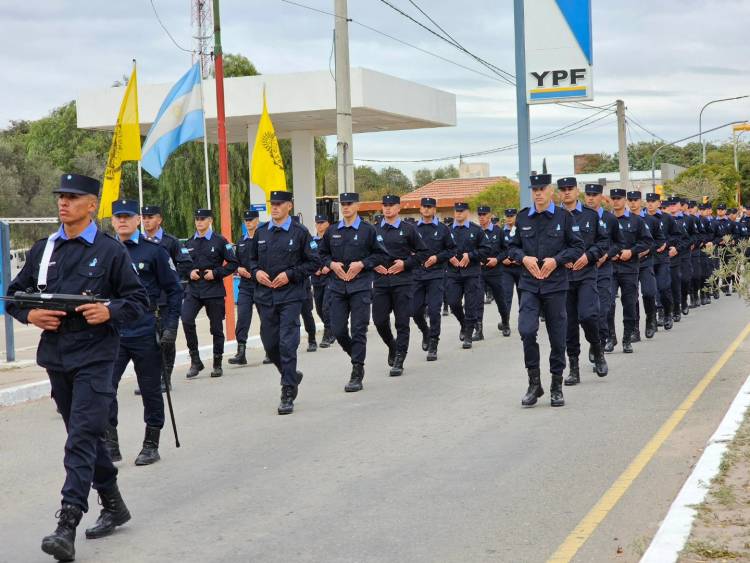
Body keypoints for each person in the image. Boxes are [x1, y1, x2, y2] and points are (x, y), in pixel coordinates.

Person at [6, 174, 149, 561]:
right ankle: (114, 502)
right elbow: (13, 296)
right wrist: (31, 313)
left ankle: (67, 521)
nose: (63, 203)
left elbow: (138, 300)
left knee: (82, 437)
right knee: (83, 435)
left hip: (97, 356)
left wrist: (109, 310)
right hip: (57, 357)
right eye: (60, 197)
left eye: (72, 197)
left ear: (92, 205)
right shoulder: (44, 250)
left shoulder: (110, 252)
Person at [106, 200, 182, 467]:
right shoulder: (106, 250)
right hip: (112, 332)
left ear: (138, 220)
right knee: (104, 389)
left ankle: (151, 444)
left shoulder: (154, 252)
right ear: (113, 221)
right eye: (118, 217)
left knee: (150, 390)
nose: (122, 221)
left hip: (144, 329)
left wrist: (171, 326)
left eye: (128, 216)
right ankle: (110, 443)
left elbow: (174, 290)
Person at [508, 174, 584, 407]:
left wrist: (556, 260)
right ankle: (534, 383)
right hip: (529, 284)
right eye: (535, 189)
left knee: (557, 336)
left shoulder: (564, 217)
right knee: (527, 330)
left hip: (555, 284)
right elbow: (512, 247)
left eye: (542, 189)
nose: (538, 193)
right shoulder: (522, 218)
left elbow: (577, 246)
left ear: (551, 191)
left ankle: (556, 385)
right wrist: (524, 258)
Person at [247, 191, 319, 414]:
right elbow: (250, 260)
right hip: (265, 296)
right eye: (273, 204)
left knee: (288, 344)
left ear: (289, 206)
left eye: (279, 204)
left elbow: (314, 262)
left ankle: (287, 390)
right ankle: (291, 375)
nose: (275, 207)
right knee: (270, 344)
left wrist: (290, 274)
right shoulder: (260, 233)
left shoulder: (300, 233)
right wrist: (256, 272)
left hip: (291, 296)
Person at [317, 192, 387, 392]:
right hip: (337, 287)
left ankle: (357, 370)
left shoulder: (368, 230)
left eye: (349, 203)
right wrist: (331, 264)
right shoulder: (332, 231)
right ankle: (357, 356)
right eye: (343, 204)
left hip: (361, 287)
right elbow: (321, 254)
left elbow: (381, 255)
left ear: (357, 205)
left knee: (358, 329)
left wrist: (363, 264)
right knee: (338, 330)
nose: (346, 207)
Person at [556, 177, 608, 385]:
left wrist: (588, 256)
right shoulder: (554, 217)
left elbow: (603, 242)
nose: (567, 192)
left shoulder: (590, 216)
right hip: (563, 277)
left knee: (588, 315)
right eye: (563, 189)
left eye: (570, 189)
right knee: (568, 324)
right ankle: (574, 368)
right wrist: (561, 260)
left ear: (577, 191)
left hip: (586, 274)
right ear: (559, 192)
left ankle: (597, 349)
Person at [373, 194, 428, 376]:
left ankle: (400, 359)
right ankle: (392, 345)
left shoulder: (408, 229)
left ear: (398, 208)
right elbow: (364, 254)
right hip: (381, 282)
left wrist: (405, 264)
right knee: (379, 321)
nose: (387, 208)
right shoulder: (373, 230)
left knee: (402, 321)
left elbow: (422, 253)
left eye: (391, 205)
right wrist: (373, 264)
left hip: (403, 282)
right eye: (385, 205)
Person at [140, 204, 193, 393]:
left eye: (150, 217)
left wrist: (167, 278)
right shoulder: (138, 242)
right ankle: (151, 380)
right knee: (147, 342)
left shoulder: (171, 242)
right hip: (145, 300)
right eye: (144, 217)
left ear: (159, 219)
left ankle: (166, 378)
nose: (146, 220)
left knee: (166, 340)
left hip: (166, 299)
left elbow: (185, 263)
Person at [182, 208, 238, 379]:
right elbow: (181, 264)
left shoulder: (220, 241)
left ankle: (217, 362)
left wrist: (216, 273)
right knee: (186, 319)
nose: (199, 222)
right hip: (194, 290)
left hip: (213, 290)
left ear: (210, 221)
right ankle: (195, 360)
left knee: (216, 328)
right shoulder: (189, 243)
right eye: (197, 219)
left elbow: (233, 263)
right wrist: (188, 272)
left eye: (202, 219)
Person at [608, 188, 653, 354]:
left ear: (624, 200)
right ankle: (610, 337)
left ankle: (627, 338)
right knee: (608, 304)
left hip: (629, 268)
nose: (616, 201)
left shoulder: (636, 221)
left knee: (629, 304)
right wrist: (607, 254)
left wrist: (632, 252)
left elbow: (647, 242)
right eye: (613, 198)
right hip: (610, 268)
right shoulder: (605, 220)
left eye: (619, 198)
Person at [412, 197, 456, 361]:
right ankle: (425, 331)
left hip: (436, 275)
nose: (427, 209)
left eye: (430, 207)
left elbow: (451, 250)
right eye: (424, 207)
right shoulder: (413, 229)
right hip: (417, 275)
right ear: (420, 209)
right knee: (415, 311)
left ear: (434, 209)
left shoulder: (443, 229)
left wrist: (437, 258)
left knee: (434, 310)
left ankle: (433, 343)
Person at [583, 184, 625, 354]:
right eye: (588, 194)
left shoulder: (609, 219)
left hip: (603, 269)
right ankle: (597, 340)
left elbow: (618, 243)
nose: (591, 198)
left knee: (603, 308)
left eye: (595, 194)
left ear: (601, 197)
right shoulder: (577, 217)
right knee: (587, 313)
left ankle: (600, 344)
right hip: (583, 271)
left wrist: (606, 256)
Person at [445, 202, 491, 349]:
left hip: (471, 272)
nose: (458, 213)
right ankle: (464, 324)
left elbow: (486, 249)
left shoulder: (476, 230)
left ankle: (469, 335)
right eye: (456, 211)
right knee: (453, 302)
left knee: (471, 304)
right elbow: (438, 248)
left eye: (461, 211)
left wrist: (470, 256)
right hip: (453, 273)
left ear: (467, 212)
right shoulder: (446, 230)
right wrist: (449, 257)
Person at [627, 191, 661, 342]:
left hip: (646, 262)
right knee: (632, 298)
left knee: (648, 292)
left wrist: (648, 249)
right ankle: (634, 329)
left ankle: (650, 319)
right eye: (630, 200)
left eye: (636, 200)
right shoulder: (622, 220)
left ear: (640, 201)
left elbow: (659, 240)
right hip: (629, 265)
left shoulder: (651, 220)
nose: (633, 203)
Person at [228, 209, 260, 366]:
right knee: (242, 318)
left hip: (262, 285)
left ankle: (270, 350)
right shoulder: (241, 241)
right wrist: (238, 269)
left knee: (267, 319)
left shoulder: (263, 239)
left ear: (257, 221)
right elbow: (235, 262)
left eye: (251, 219)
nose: (248, 222)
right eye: (246, 220)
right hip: (245, 286)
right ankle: (241, 352)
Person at [476, 205, 510, 340]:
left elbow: (506, 250)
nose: (481, 217)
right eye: (479, 215)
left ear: (489, 216)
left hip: (496, 271)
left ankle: (505, 323)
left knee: (501, 299)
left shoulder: (498, 231)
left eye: (484, 214)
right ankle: (478, 330)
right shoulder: (475, 232)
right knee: (478, 300)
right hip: (479, 271)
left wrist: (497, 259)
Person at [645, 193, 677, 330]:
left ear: (659, 203)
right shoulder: (642, 218)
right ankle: (658, 313)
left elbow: (676, 235)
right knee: (651, 290)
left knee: (664, 287)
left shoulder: (667, 218)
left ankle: (668, 312)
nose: (650, 203)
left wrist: (667, 243)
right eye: (648, 201)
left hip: (663, 258)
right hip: (648, 259)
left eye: (653, 201)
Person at [293, 215, 319, 352]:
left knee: (306, 313)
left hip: (303, 283)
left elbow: (313, 259)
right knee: (292, 316)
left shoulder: (304, 236)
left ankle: (312, 339)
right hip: (290, 286)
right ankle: (293, 343)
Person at [311, 214, 335, 349]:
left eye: (322, 222)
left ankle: (327, 335)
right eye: (317, 223)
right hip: (316, 278)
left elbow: (337, 255)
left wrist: (328, 266)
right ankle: (332, 329)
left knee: (326, 307)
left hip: (330, 277)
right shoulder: (311, 241)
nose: (320, 225)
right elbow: (307, 257)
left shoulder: (332, 239)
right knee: (319, 308)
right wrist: (313, 269)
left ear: (328, 224)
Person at [500, 208, 521, 334]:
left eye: (512, 216)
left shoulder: (521, 230)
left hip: (519, 267)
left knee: (523, 296)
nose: (509, 218)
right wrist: (503, 259)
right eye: (507, 216)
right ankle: (505, 323)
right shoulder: (501, 232)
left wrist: (518, 260)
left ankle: (524, 320)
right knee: (506, 296)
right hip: (506, 268)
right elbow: (497, 249)